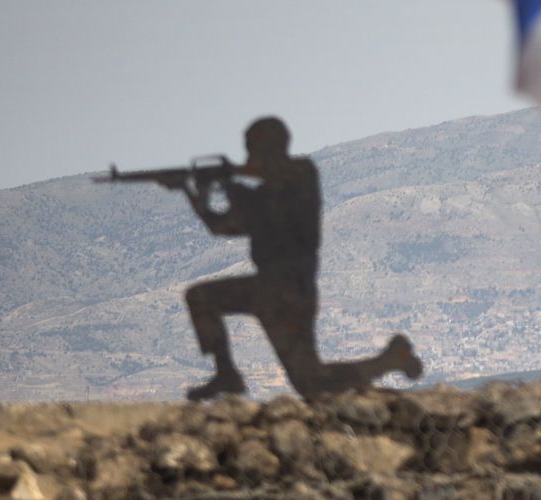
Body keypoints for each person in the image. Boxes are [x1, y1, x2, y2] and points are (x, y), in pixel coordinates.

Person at [180, 116, 420, 401]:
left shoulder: (300, 175)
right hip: (271, 288)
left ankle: (391, 360)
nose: (250, 158)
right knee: (309, 381)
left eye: (253, 151)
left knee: (309, 382)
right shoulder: (262, 193)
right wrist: (199, 199)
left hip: (289, 289)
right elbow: (225, 227)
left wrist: (230, 185)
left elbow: (270, 204)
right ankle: (390, 360)